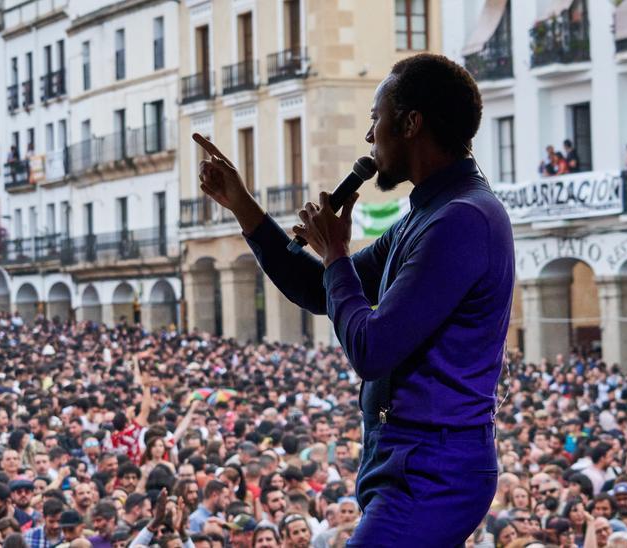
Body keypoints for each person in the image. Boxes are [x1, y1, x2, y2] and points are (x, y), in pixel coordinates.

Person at [193, 52, 514, 545]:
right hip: (407, 460)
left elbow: (372, 348)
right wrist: (242, 204)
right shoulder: (424, 217)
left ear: (410, 123)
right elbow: (315, 290)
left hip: (434, 471)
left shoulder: (462, 220)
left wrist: (336, 251)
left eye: (375, 119)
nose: (369, 137)